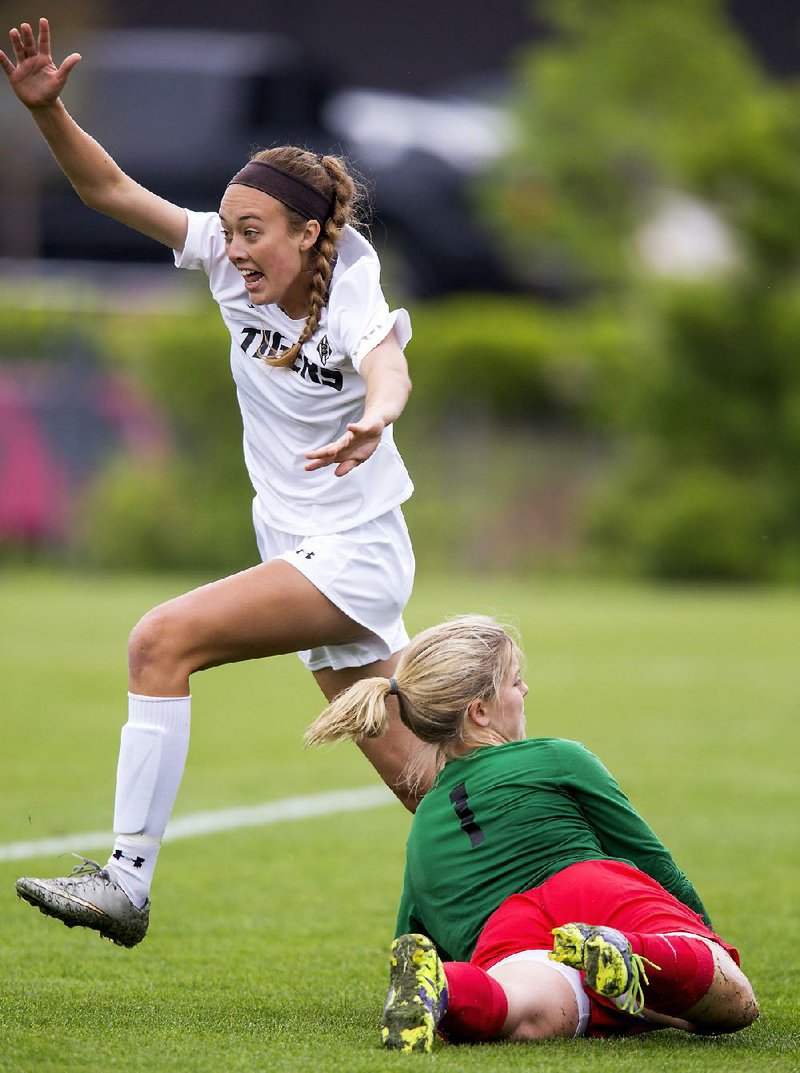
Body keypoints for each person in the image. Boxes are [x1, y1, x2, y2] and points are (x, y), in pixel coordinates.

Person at [2, 18, 435, 948]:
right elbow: (108, 187)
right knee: (425, 780)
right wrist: (48, 114)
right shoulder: (231, 271)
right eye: (229, 229)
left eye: (254, 232)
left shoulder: (349, 280)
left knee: (161, 641)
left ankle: (125, 879)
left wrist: (380, 414)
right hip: (308, 549)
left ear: (310, 232)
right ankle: (558, 889)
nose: (234, 248)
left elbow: (387, 362)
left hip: (352, 553)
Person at [305, 615, 759, 1051]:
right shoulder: (558, 758)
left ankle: (448, 993)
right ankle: (633, 951)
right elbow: (650, 859)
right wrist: (703, 936)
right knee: (733, 1000)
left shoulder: (421, 830)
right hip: (592, 889)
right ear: (480, 711)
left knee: (522, 1004)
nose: (525, 690)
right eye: (515, 681)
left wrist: (440, 972)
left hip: (510, 936)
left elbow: (415, 933)